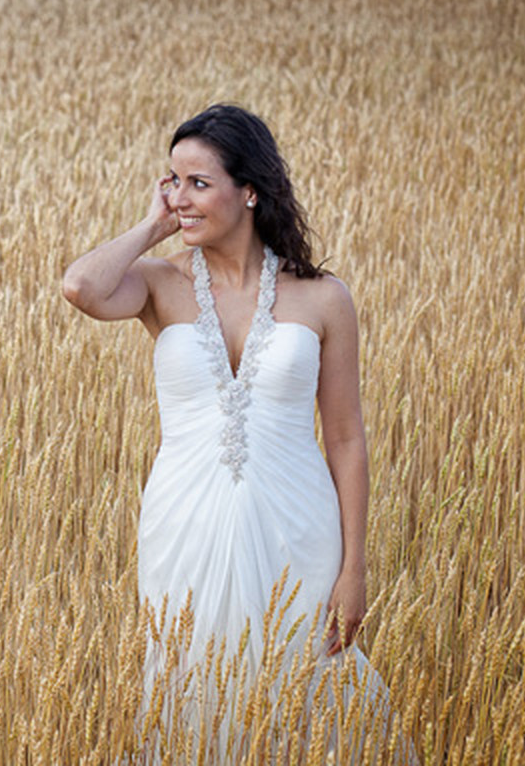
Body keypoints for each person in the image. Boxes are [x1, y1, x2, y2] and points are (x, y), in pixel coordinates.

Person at [63, 105, 410, 760]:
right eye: (173, 181)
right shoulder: (160, 284)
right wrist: (155, 225)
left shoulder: (323, 297)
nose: (180, 197)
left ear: (249, 190)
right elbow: (81, 287)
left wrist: (355, 565)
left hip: (297, 529)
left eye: (198, 183)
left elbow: (345, 438)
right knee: (191, 686)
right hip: (182, 525)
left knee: (303, 686)